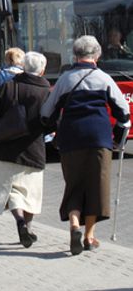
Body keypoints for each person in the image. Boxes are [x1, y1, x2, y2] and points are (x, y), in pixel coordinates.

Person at [41, 35, 131, 256]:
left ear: (75, 55)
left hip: (71, 138)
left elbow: (46, 112)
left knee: (74, 184)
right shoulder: (104, 79)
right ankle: (89, 236)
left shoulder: (65, 79)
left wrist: (52, 131)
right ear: (97, 55)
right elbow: (124, 113)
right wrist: (118, 136)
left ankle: (74, 226)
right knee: (96, 187)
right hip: (99, 138)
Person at [0, 52, 50, 248]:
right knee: (30, 192)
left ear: (24, 67)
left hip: (4, 146)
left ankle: (20, 222)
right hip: (33, 148)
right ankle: (28, 228)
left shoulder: (9, 85)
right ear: (42, 70)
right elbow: (51, 120)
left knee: (10, 190)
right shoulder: (46, 90)